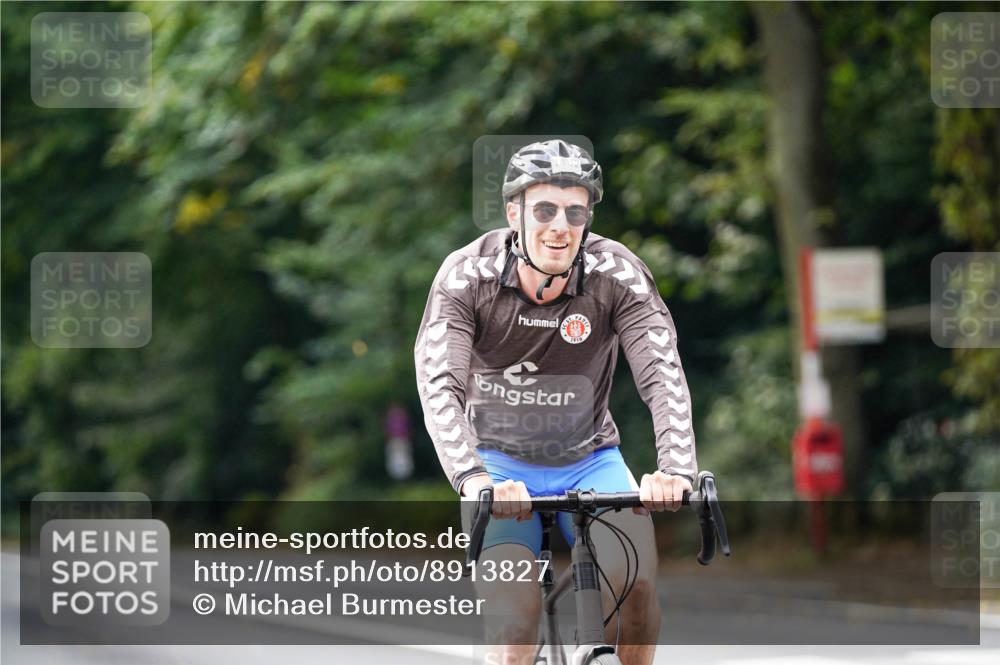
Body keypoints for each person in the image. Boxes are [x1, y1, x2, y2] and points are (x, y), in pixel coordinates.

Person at [414, 139, 697, 665]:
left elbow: (662, 371)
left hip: (592, 459)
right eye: (544, 209)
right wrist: (474, 479)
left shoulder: (616, 274)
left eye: (575, 211)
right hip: (498, 465)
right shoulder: (465, 277)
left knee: (634, 587)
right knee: (514, 626)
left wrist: (676, 467)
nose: (559, 227)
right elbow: (439, 385)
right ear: (513, 213)